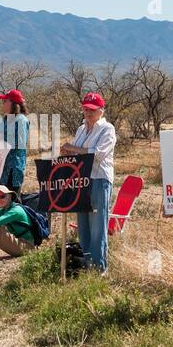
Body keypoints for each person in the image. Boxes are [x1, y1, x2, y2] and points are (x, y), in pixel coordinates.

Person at [60, 92, 117, 273]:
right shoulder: (81, 129)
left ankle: (99, 268)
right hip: (81, 180)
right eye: (85, 109)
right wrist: (68, 153)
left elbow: (97, 155)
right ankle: (86, 264)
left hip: (99, 179)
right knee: (83, 223)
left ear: (101, 110)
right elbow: (79, 154)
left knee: (98, 224)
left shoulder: (107, 129)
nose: (88, 113)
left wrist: (73, 147)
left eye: (92, 109)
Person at [0, 89, 30, 195]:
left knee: (12, 200)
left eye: (5, 101)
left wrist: (0, 142)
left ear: (13, 104)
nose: (3, 103)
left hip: (14, 167)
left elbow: (20, 143)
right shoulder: (6, 119)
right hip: (2, 166)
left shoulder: (21, 120)